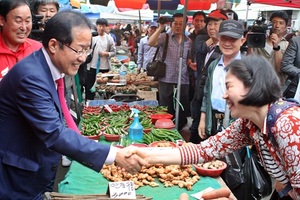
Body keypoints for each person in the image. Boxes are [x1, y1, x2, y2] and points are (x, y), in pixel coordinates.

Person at [0, 11, 146, 199]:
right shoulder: (31, 77)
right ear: (53, 45)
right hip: (17, 178)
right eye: (79, 49)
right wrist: (114, 155)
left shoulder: (47, 68)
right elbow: (55, 133)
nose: (83, 58)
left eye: (87, 50)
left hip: (37, 167)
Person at [133, 55, 300, 199]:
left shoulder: (288, 125)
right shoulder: (249, 123)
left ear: (252, 85)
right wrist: (144, 155)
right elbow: (204, 150)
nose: (224, 95)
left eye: (229, 86)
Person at [198, 19, 246, 140]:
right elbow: (206, 94)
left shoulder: (247, 67)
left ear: (242, 41)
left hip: (236, 124)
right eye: (224, 38)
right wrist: (203, 119)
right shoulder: (213, 65)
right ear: (218, 39)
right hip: (213, 120)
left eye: (232, 39)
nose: (227, 43)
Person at [148, 13, 193, 131]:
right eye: (176, 23)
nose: (178, 26)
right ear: (171, 24)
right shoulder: (165, 37)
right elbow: (151, 43)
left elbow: (189, 59)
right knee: (165, 107)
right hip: (166, 78)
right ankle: (165, 130)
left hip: (182, 79)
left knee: (182, 108)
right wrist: (160, 27)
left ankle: (178, 130)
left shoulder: (188, 41)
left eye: (181, 24)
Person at [189, 9, 228, 144]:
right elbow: (199, 49)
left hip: (214, 95)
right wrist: (214, 37)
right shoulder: (202, 39)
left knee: (209, 129)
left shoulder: (226, 47)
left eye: (215, 24)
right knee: (195, 124)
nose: (211, 27)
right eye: (209, 24)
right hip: (199, 90)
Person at [0, 0, 42, 81]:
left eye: (27, 21)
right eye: (18, 21)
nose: (24, 27)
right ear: (2, 20)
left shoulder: (38, 50)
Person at [248, 11, 289, 86]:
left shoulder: (288, 46)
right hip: (257, 84)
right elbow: (250, 62)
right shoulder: (259, 41)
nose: (277, 26)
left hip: (276, 86)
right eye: (274, 22)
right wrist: (250, 41)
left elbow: (280, 69)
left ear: (285, 27)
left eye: (281, 23)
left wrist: (276, 46)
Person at [85, 18, 116, 101]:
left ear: (106, 27)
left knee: (106, 88)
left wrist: (107, 54)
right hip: (92, 66)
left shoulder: (109, 39)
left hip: (105, 68)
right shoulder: (92, 37)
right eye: (99, 26)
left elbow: (114, 52)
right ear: (96, 26)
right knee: (90, 87)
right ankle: (89, 104)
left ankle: (106, 103)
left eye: (103, 26)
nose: (101, 28)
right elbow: (86, 49)